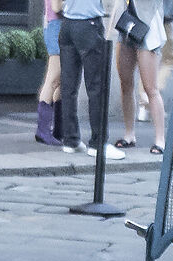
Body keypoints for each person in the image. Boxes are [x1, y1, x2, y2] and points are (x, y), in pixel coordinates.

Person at [58, 0, 117, 157]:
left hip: (67, 23)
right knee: (97, 86)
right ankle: (98, 143)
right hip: (88, 24)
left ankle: (71, 140)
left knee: (68, 87)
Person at [111, 0, 162, 152]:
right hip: (126, 23)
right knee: (125, 83)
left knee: (150, 88)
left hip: (147, 25)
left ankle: (160, 139)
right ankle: (129, 134)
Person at [36, 0, 62, 145]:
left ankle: (57, 129)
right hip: (55, 26)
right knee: (53, 79)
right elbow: (56, 7)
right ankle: (43, 130)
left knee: (59, 81)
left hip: (55, 25)